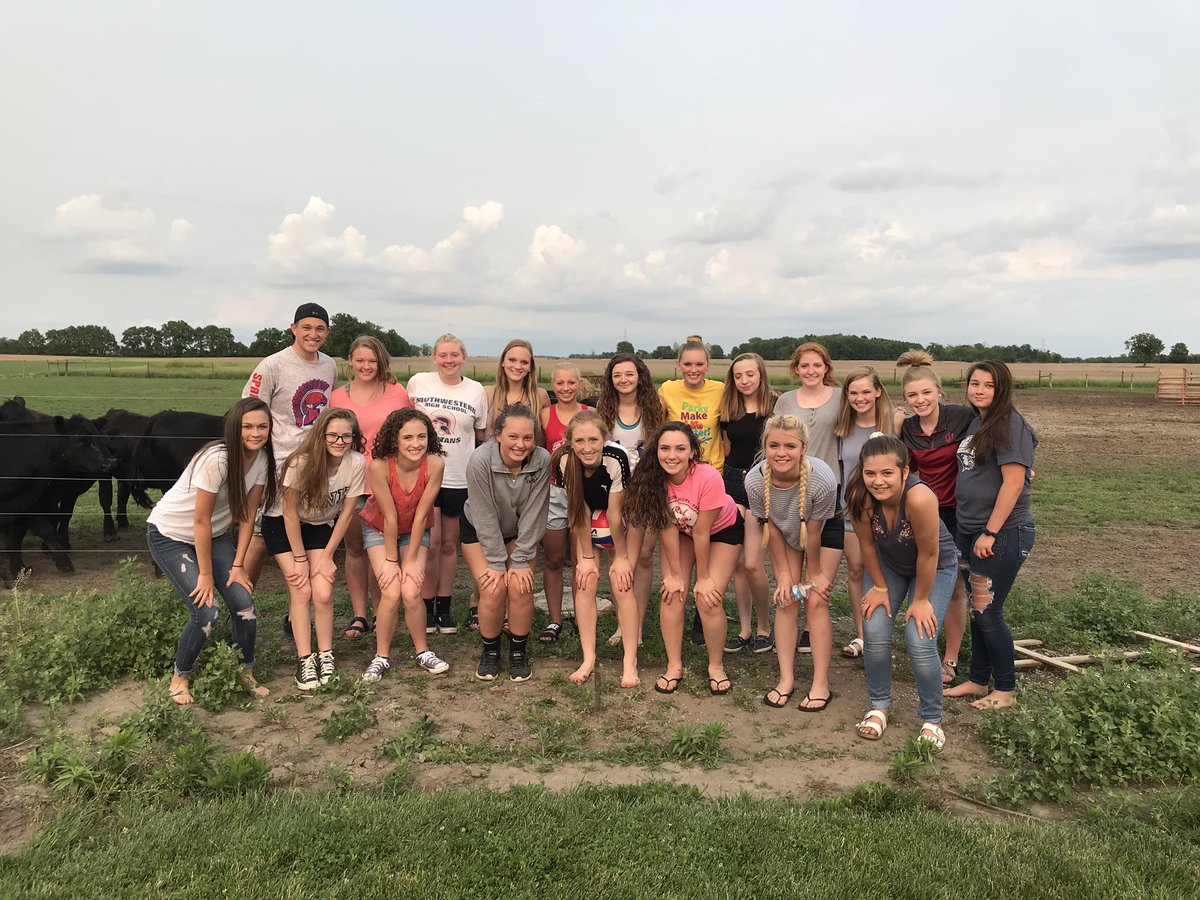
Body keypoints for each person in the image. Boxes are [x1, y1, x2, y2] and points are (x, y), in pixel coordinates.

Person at [146, 398, 276, 705]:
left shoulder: (262, 460)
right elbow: (200, 520)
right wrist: (205, 574)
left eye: (262, 426)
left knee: (244, 603)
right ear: (234, 428)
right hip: (172, 535)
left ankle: (246, 671)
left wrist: (239, 564)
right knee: (206, 611)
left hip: (215, 536)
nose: (255, 433)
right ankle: (180, 676)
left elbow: (247, 515)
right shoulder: (217, 459)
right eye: (247, 427)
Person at [845, 435, 958, 750]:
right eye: (870, 474)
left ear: (905, 472)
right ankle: (879, 706)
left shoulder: (920, 498)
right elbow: (867, 546)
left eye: (886, 474)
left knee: (919, 637)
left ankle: (932, 719)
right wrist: (880, 587)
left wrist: (920, 600)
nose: (878, 482)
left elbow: (929, 556)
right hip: (889, 566)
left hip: (935, 567)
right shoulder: (860, 497)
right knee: (874, 626)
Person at [944, 362, 1038, 711]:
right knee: (978, 609)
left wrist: (990, 531)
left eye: (988, 385)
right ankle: (978, 680)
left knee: (988, 610)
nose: (979, 390)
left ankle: (1006, 690)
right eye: (974, 383)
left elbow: (1013, 483)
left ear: (1003, 390)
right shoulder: (977, 421)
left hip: (1003, 532)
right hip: (970, 531)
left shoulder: (1009, 425)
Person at [626, 422, 743, 697]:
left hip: (721, 531)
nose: (671, 455)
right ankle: (674, 665)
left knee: (707, 597)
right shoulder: (654, 479)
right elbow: (667, 527)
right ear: (656, 451)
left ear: (692, 452)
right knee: (672, 592)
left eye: (680, 449)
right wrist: (676, 575)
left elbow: (703, 532)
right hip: (682, 531)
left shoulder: (708, 476)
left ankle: (716, 666)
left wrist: (702, 579)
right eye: (665, 448)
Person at [264, 407, 367, 690]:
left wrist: (328, 556)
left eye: (347, 436)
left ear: (354, 438)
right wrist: (300, 559)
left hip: (321, 526)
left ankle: (326, 654)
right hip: (283, 526)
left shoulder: (356, 462)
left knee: (323, 592)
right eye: (332, 435)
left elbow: (346, 514)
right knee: (302, 589)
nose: (339, 441)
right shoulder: (301, 462)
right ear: (321, 434)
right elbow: (288, 513)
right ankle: (304, 660)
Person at [240, 303, 337, 588]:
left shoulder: (329, 365)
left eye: (320, 329)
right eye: (306, 327)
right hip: (278, 464)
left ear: (327, 332)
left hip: (314, 465)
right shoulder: (272, 365)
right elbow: (249, 413)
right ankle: (243, 603)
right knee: (260, 537)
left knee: (306, 535)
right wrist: (258, 464)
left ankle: (295, 610)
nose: (313, 334)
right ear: (293, 329)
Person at [745, 415, 838, 710]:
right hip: (783, 530)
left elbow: (812, 535)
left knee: (815, 601)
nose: (781, 453)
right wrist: (784, 575)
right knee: (785, 599)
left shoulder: (821, 480)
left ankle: (820, 684)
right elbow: (770, 527)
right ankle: (786, 679)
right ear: (764, 446)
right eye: (774, 445)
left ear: (804, 447)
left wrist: (814, 578)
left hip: (822, 532)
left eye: (789, 446)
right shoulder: (755, 480)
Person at [896, 351, 976, 684]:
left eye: (926, 393)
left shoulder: (962, 418)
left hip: (960, 509)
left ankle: (951, 657)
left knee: (957, 584)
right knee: (929, 580)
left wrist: (1023, 467)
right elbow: (900, 468)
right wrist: (894, 425)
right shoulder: (908, 428)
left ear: (939, 392)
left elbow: (997, 438)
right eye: (912, 395)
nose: (920, 400)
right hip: (926, 512)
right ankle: (924, 645)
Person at [329, 336, 411, 641]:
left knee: (383, 550)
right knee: (354, 548)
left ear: (381, 362)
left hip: (386, 484)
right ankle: (359, 614)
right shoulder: (337, 397)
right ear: (350, 361)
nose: (366, 366)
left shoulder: (397, 393)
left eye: (372, 360)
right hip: (351, 484)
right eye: (360, 360)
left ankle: (382, 612)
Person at [462, 404, 551, 682]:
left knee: (521, 587)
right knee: (493, 587)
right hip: (480, 527)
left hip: (519, 531)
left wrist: (521, 558)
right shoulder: (480, 460)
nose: (520, 444)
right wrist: (498, 563)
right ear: (498, 435)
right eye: (513, 436)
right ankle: (490, 651)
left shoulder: (542, 460)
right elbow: (484, 513)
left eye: (527, 437)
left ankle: (518, 651)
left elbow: (535, 512)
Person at [358, 408, 449, 679]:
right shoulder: (379, 466)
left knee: (411, 590)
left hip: (415, 530)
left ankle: (423, 652)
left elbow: (422, 514)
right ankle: (381, 656)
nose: (416, 443)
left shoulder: (434, 464)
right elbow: (388, 517)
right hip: (380, 527)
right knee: (391, 590)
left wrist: (409, 561)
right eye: (407, 437)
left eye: (422, 436)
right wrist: (391, 562)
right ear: (394, 439)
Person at [406, 335, 489, 633]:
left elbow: (480, 436)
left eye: (455, 354)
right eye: (443, 355)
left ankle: (444, 607)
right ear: (434, 357)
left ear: (464, 357)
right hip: (424, 476)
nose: (449, 360)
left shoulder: (476, 390)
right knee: (430, 543)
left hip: (458, 476)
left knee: (448, 545)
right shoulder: (418, 383)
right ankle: (425, 607)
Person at [551, 411, 639, 687]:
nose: (587, 448)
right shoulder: (563, 461)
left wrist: (622, 557)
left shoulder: (617, 457)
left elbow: (615, 514)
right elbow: (578, 509)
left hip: (624, 514)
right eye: (579, 441)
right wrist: (586, 558)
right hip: (587, 515)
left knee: (621, 582)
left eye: (593, 440)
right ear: (570, 442)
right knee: (586, 581)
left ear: (605, 439)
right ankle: (588, 657)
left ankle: (630, 661)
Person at [772, 342, 842, 652]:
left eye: (817, 365)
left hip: (828, 490)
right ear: (796, 369)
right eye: (804, 366)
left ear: (826, 368)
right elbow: (776, 438)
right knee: (789, 572)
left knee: (817, 575)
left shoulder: (841, 399)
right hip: (789, 490)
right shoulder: (786, 401)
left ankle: (811, 631)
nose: (811, 371)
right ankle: (790, 627)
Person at [659, 336, 727, 646]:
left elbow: (729, 426)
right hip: (677, 474)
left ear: (708, 366)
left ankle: (703, 615)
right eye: (687, 364)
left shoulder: (720, 390)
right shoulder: (668, 390)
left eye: (699, 364)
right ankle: (682, 607)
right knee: (681, 539)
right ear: (678, 365)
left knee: (708, 545)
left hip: (711, 474)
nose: (693, 369)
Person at [834, 366, 905, 659]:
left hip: (887, 511)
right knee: (855, 570)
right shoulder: (841, 429)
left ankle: (881, 632)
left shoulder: (895, 423)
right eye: (853, 393)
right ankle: (862, 635)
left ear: (878, 392)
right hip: (852, 511)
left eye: (866, 391)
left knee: (886, 572)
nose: (860, 398)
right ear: (846, 396)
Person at [597, 352, 666, 647]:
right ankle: (622, 625)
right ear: (611, 380)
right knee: (619, 557)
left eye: (629, 374)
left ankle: (636, 626)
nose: (624, 380)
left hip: (646, 489)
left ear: (640, 376)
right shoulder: (604, 409)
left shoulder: (655, 407)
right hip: (613, 489)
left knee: (645, 557)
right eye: (617, 375)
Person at [718, 352, 774, 654]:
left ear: (761, 375)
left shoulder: (773, 410)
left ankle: (765, 625)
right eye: (738, 376)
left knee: (753, 563)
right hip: (732, 484)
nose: (744, 380)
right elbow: (727, 447)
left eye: (750, 374)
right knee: (738, 564)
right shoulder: (728, 410)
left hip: (762, 484)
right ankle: (744, 628)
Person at [537, 363, 589, 644]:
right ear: (553, 385)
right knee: (555, 558)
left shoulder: (589, 414)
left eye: (571, 383)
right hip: (554, 492)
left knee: (583, 560)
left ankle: (583, 616)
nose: (566, 388)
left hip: (582, 493)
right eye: (560, 383)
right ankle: (555, 619)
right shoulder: (546, 414)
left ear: (579, 385)